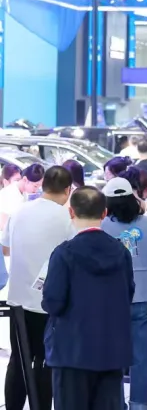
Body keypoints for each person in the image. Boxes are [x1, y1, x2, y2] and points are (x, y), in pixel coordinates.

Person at [44, 186, 134, 410]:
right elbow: (128, 293)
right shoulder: (121, 252)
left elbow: (53, 303)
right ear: (104, 213)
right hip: (112, 350)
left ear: (71, 212)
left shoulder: (64, 253)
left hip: (71, 350)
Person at [3, 164, 71, 410]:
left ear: (43, 185)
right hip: (50, 304)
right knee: (45, 361)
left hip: (18, 300)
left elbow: (6, 248)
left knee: (18, 360)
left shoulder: (20, 211)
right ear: (68, 190)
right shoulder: (67, 218)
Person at [101, 176, 147, 410]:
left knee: (112, 356)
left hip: (111, 298)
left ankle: (116, 404)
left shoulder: (102, 226)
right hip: (145, 295)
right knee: (143, 357)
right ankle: (140, 405)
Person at [0, 162, 44, 233]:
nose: (36, 190)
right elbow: (3, 225)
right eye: (35, 186)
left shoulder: (23, 192)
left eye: (38, 187)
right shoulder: (9, 194)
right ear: (25, 180)